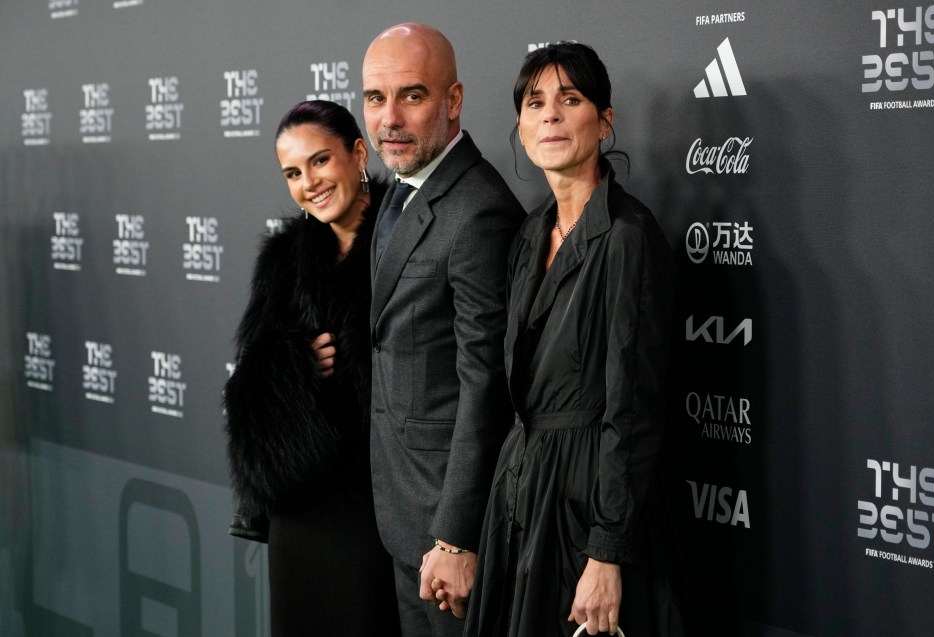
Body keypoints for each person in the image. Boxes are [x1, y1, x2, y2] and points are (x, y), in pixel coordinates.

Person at [465, 43, 685, 636]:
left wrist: (607, 551)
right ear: (520, 125)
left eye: (571, 98)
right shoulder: (530, 231)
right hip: (522, 500)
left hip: (591, 509)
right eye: (535, 103)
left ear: (605, 119)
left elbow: (633, 411)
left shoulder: (627, 239)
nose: (551, 116)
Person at [362, 22, 525, 637]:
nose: (389, 119)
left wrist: (456, 535)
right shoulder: (404, 190)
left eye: (412, 95)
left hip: (449, 533)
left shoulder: (478, 210)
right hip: (401, 511)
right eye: (375, 99)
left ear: (452, 101)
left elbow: (488, 386)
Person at [223, 100, 400, 636]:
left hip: (380, 506)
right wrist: (290, 369)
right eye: (293, 173)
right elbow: (249, 383)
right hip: (299, 510)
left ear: (359, 153)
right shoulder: (283, 259)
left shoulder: (407, 240)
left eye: (320, 161)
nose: (309, 183)